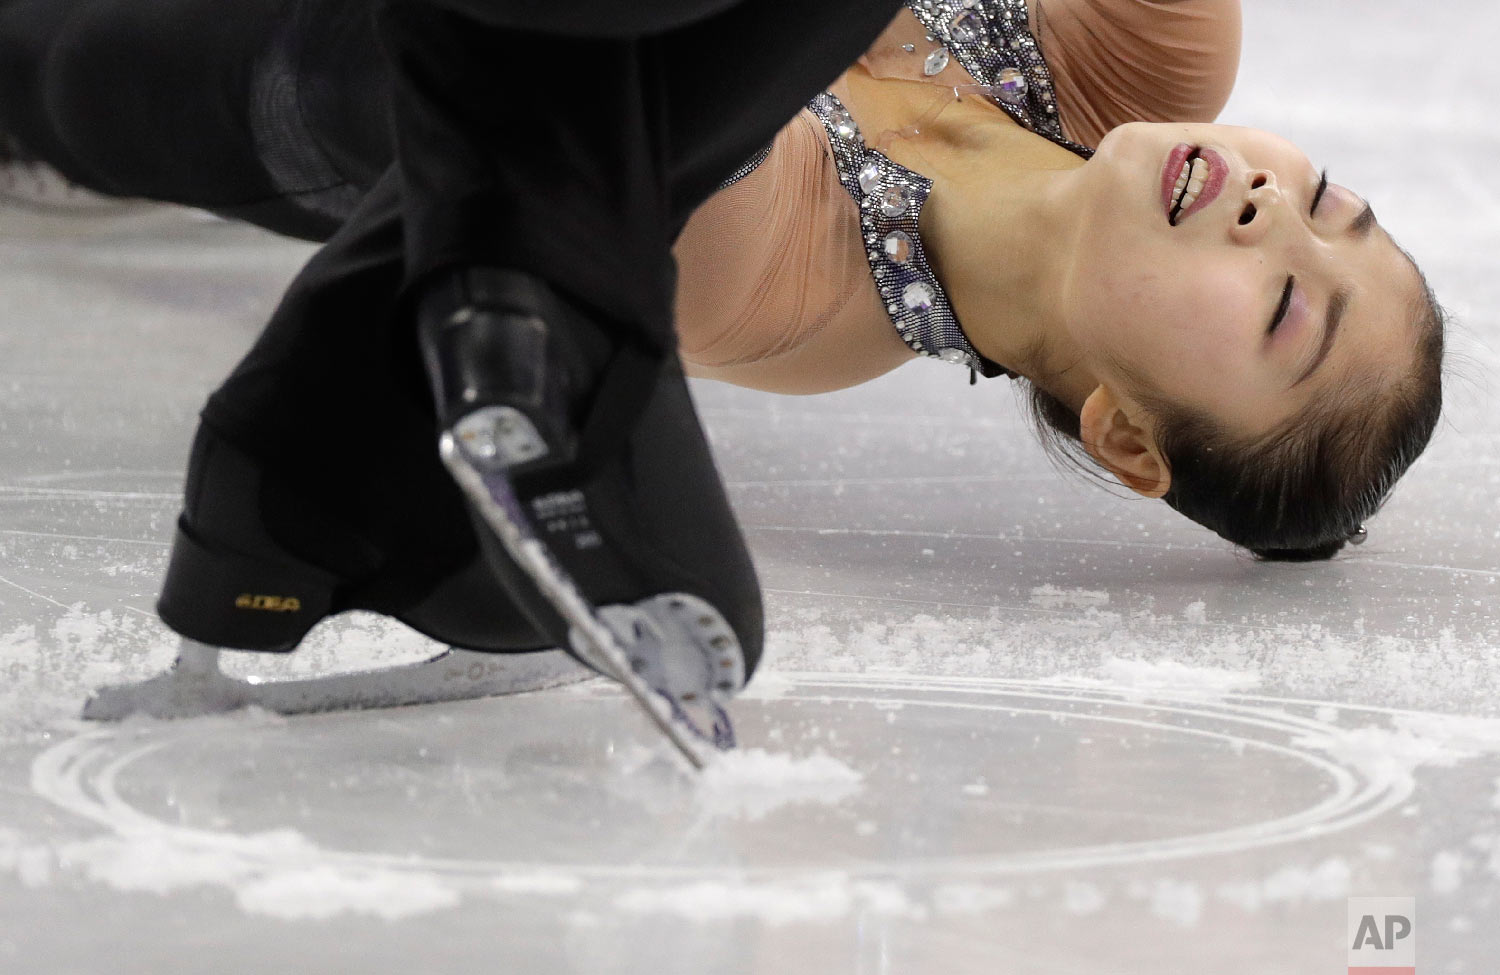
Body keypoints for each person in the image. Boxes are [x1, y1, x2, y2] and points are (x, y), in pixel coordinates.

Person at [0, 0, 1444, 721]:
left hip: (291, 79)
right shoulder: (1148, 58)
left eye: (1281, 311)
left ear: (1129, 437)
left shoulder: (779, 289)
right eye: (1330, 205)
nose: (1277, 217)